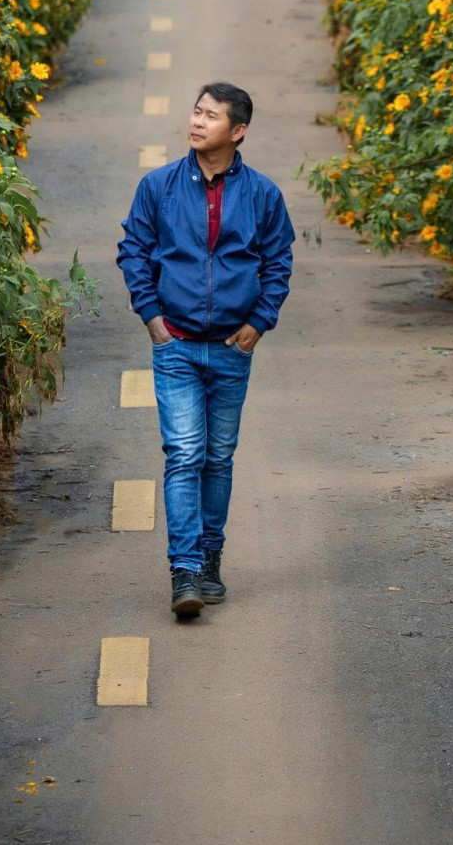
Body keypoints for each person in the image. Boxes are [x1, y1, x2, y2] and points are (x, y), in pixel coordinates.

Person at [116, 82, 295, 619]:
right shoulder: (159, 186)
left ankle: (211, 557)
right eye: (196, 112)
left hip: (232, 348)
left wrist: (258, 324)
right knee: (185, 454)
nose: (197, 122)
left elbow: (278, 261)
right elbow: (134, 249)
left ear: (237, 131)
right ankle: (186, 569)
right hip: (176, 345)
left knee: (218, 458)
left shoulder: (262, 194)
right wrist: (152, 317)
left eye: (210, 116)